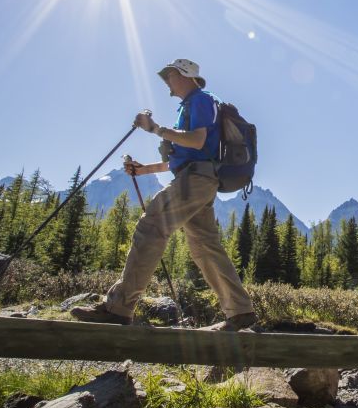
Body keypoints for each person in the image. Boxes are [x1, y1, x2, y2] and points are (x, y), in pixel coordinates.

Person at [72, 59, 257, 331]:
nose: (167, 83)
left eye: (169, 76)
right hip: (199, 178)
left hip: (196, 179)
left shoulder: (201, 100)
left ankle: (119, 308)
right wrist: (145, 169)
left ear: (184, 75)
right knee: (205, 246)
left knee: (152, 225)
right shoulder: (191, 105)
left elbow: (197, 141)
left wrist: (155, 128)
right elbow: (187, 155)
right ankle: (240, 313)